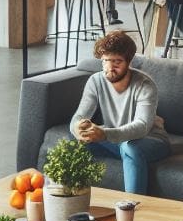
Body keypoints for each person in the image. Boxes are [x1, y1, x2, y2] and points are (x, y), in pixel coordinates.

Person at [70, 31, 170, 195]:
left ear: (128, 62)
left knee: (130, 148)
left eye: (117, 62)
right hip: (116, 139)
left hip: (151, 140)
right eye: (105, 61)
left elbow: (142, 126)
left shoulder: (145, 85)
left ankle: (133, 208)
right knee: (75, 142)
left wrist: (104, 134)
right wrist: (79, 128)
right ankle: (75, 204)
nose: (110, 68)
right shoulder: (96, 81)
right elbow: (79, 116)